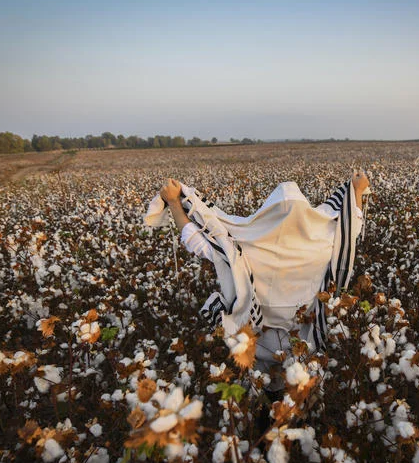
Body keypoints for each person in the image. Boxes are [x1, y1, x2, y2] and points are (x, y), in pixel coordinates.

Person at [147, 171, 370, 402]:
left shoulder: (246, 243)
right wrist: (357, 190)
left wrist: (174, 202)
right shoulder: (323, 240)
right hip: (304, 343)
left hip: (257, 343)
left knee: (259, 397)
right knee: (300, 398)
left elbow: (197, 242)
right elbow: (351, 226)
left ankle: (260, 422)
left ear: (266, 211)